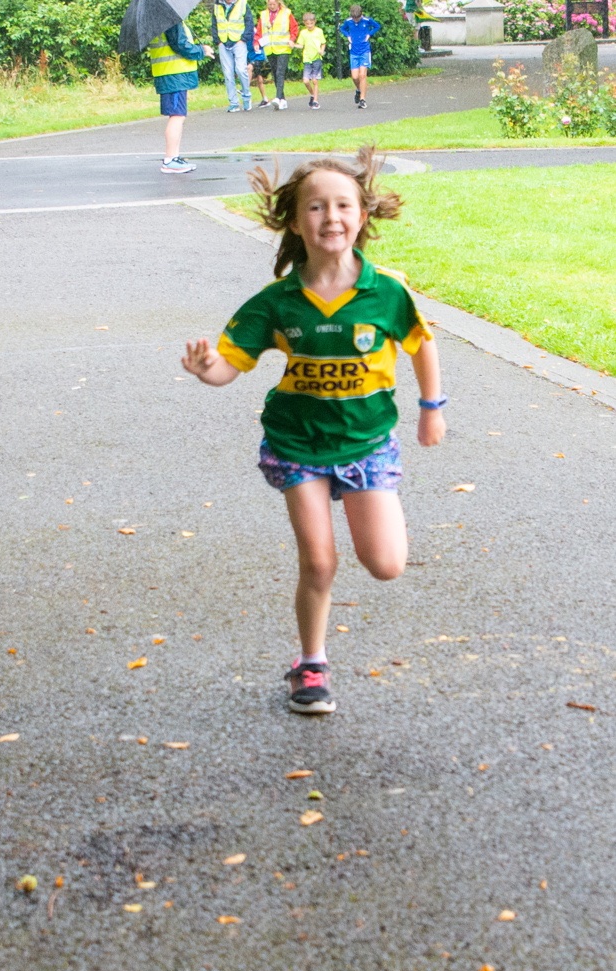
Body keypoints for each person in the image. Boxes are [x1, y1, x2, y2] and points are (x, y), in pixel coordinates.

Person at [181, 148, 447, 714]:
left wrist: (432, 407)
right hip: (297, 443)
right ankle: (311, 664)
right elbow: (230, 365)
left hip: (367, 443)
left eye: (343, 205)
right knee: (320, 562)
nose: (331, 216)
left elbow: (422, 346)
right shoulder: (277, 302)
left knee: (387, 565)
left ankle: (367, 502)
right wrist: (208, 369)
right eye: (316, 206)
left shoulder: (387, 292)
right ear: (295, 221)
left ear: (362, 215)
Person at [149, 22, 214, 174]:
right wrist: (201, 50)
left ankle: (174, 157)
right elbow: (180, 44)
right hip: (174, 74)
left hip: (169, 73)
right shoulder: (170, 20)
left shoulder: (159, 18)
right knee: (177, 115)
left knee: (178, 115)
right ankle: (170, 159)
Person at [253, 0, 298, 110]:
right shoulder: (263, 15)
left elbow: (294, 28)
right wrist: (256, 42)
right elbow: (259, 31)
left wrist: (292, 39)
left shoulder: (286, 13)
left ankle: (277, 98)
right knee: (275, 72)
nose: (272, 6)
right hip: (270, 48)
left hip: (283, 47)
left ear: (278, 3)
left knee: (280, 72)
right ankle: (282, 100)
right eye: (270, 4)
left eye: (274, 4)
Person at [211, 0, 254, 112]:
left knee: (241, 70)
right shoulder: (217, 6)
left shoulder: (242, 4)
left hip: (239, 42)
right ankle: (234, 103)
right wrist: (218, 41)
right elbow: (214, 24)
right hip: (223, 42)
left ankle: (246, 96)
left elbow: (249, 23)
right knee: (228, 74)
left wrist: (243, 39)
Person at [339, 4, 381, 109]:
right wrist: (348, 35)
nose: (356, 20)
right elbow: (342, 29)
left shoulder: (367, 20)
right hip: (354, 52)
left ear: (361, 14)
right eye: (354, 18)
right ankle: (358, 90)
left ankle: (363, 99)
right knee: (355, 77)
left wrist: (369, 34)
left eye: (357, 18)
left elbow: (377, 26)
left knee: (362, 75)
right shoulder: (348, 21)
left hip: (364, 51)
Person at [294, 12, 326, 109]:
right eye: (307, 24)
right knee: (306, 81)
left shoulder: (319, 31)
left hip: (316, 59)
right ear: (304, 23)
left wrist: (321, 50)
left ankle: (315, 101)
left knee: (315, 80)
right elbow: (301, 45)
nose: (309, 25)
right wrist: (293, 45)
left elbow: (323, 43)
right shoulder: (303, 33)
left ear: (314, 22)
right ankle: (312, 94)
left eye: (311, 23)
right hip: (307, 59)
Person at [247, 37, 270, 106]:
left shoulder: (257, 33)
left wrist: (257, 43)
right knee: (259, 78)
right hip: (250, 57)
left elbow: (265, 41)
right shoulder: (245, 34)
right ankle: (265, 99)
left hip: (259, 57)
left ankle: (245, 90)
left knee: (249, 68)